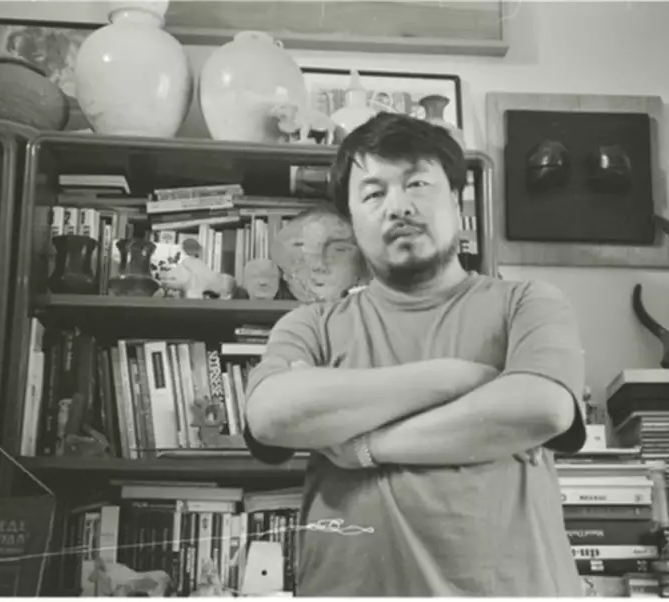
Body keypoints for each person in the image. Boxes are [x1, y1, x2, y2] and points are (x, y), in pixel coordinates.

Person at [243, 112, 587, 596]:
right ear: (352, 220)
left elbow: (542, 407)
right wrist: (460, 378)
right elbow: (271, 415)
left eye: (417, 183)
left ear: (454, 197)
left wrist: (366, 447)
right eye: (373, 193)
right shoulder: (312, 325)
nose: (397, 206)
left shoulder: (527, 303)